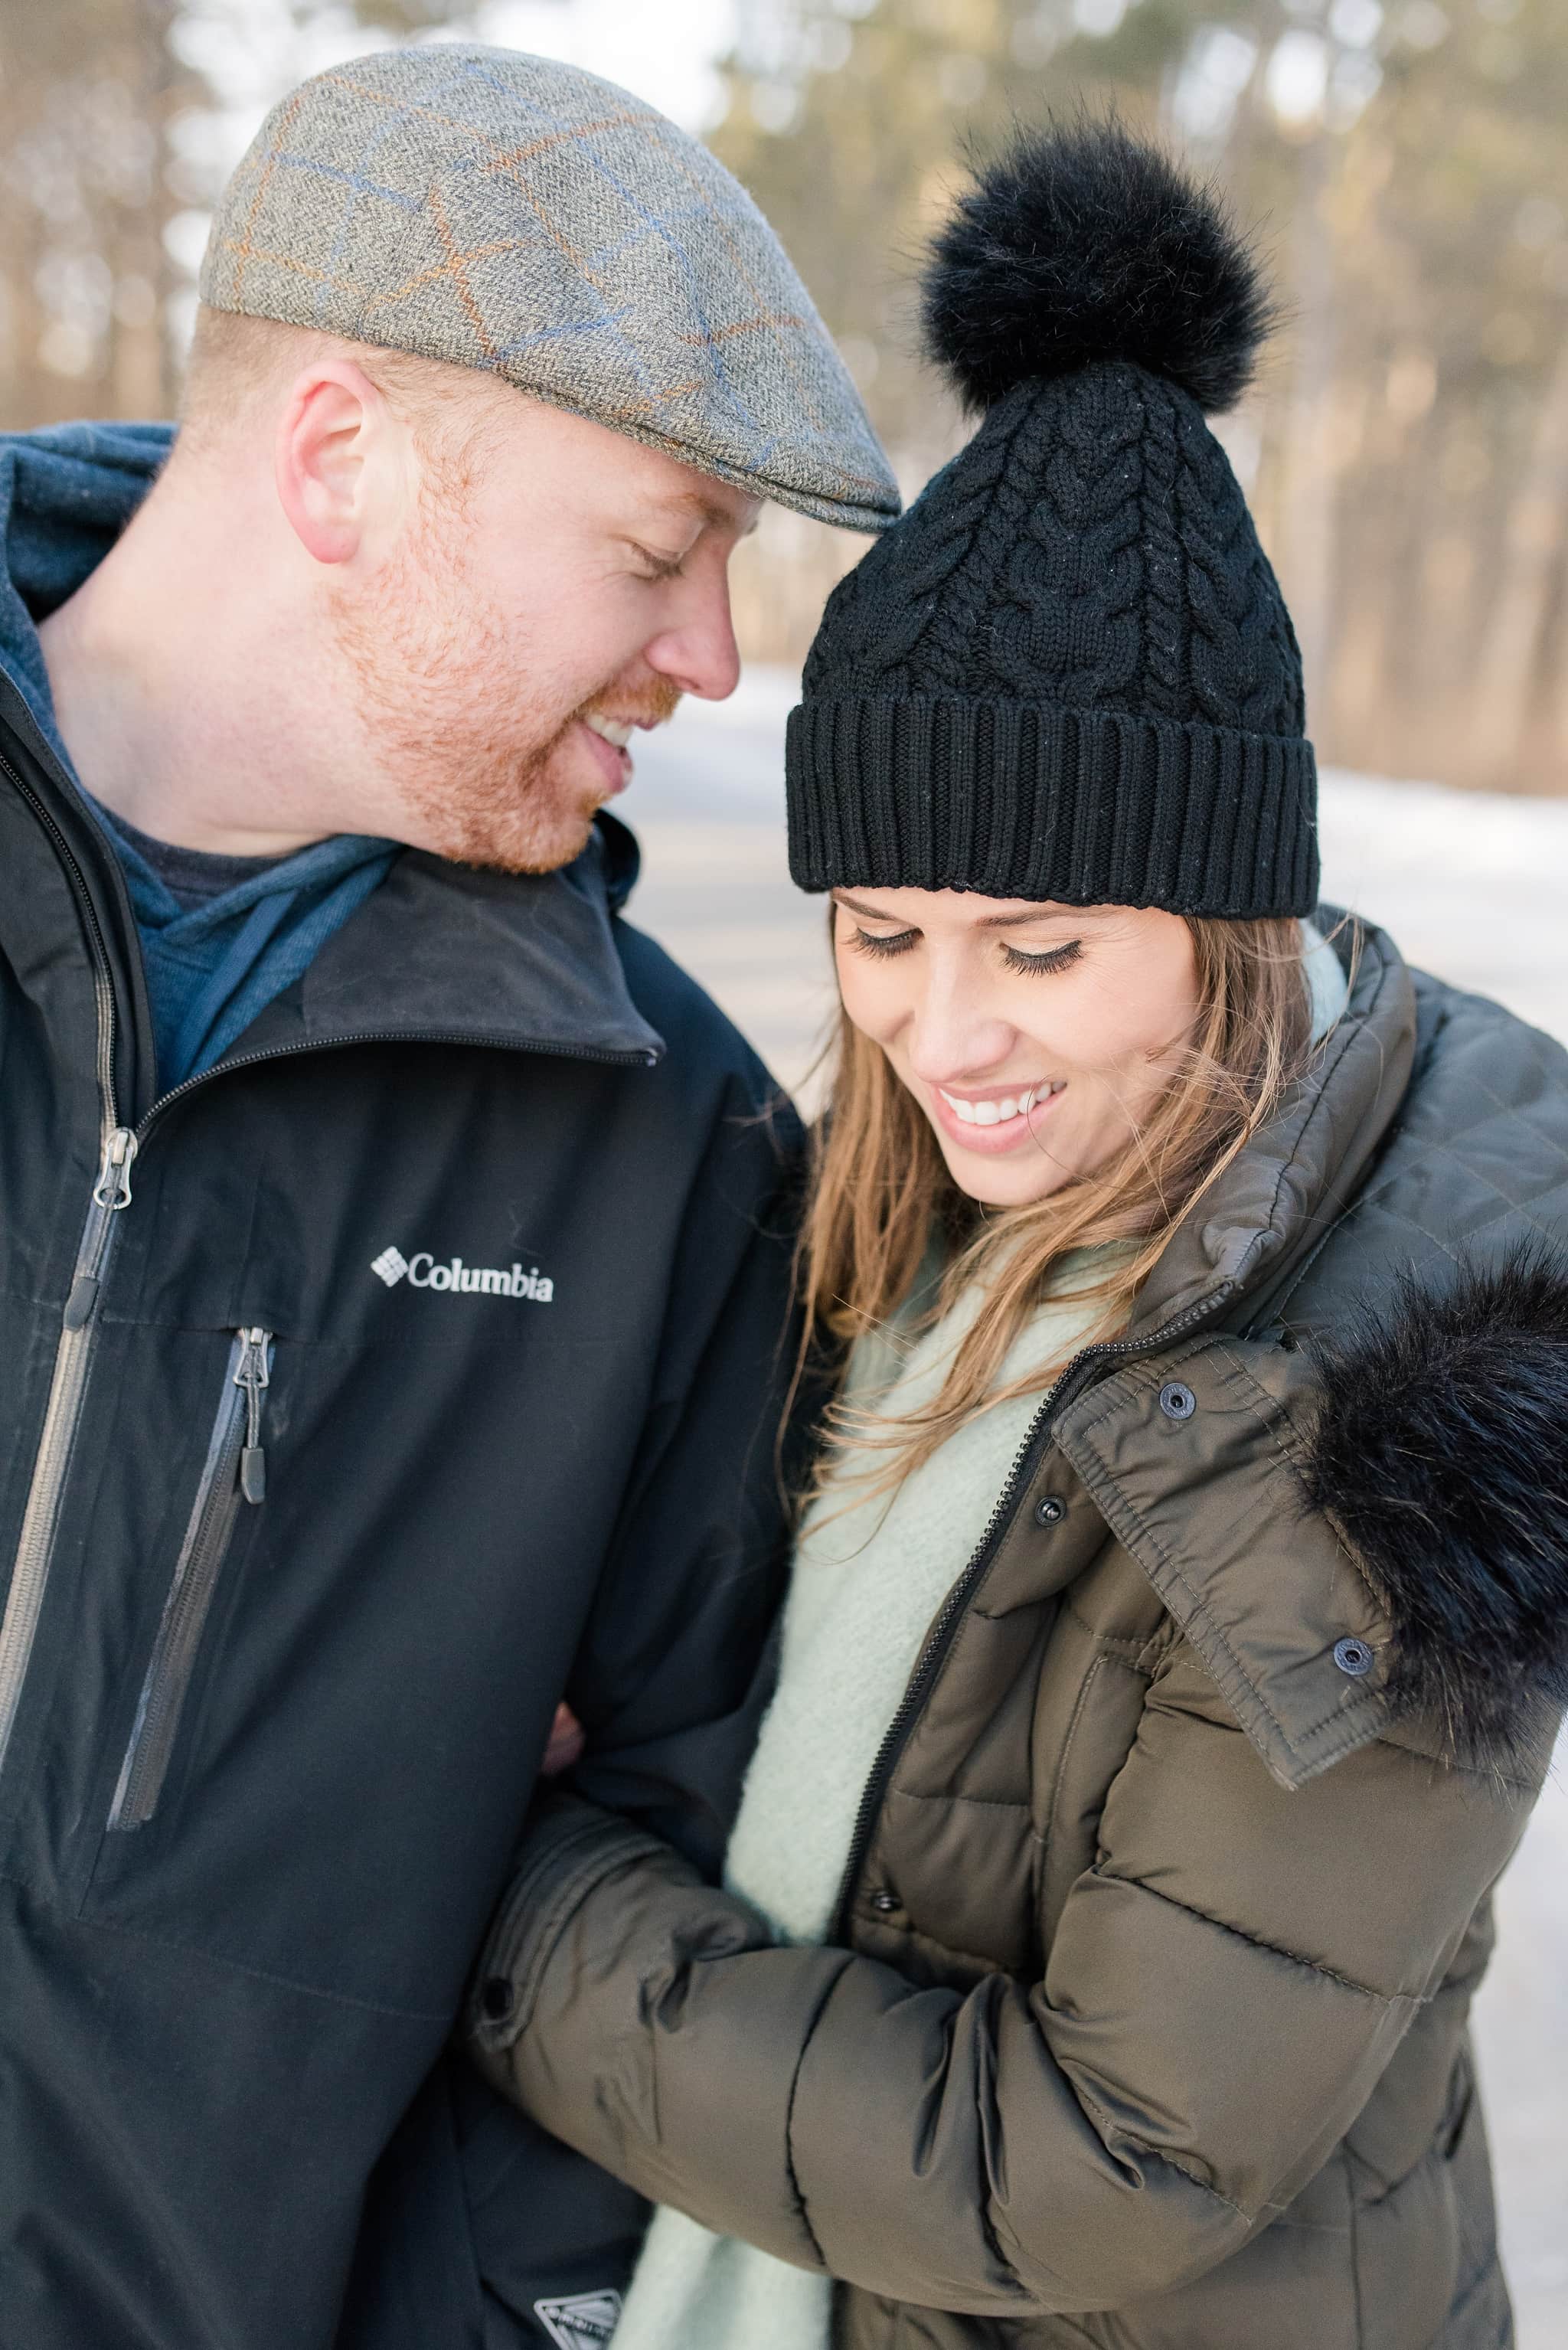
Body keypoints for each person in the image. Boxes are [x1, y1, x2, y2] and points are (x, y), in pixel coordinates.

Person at [470, 124, 1568, 2350]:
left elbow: (1105, 2160)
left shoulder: (1397, 1418)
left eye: (1044, 950)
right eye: (879, 931)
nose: (941, 1032)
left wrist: (510, 1906)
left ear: (1226, 920)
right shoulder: (914, 1230)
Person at [0, 41, 897, 2350]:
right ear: (338, 460)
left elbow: (677, 1866)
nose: (714, 655)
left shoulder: (660, 1150)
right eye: (658, 545)